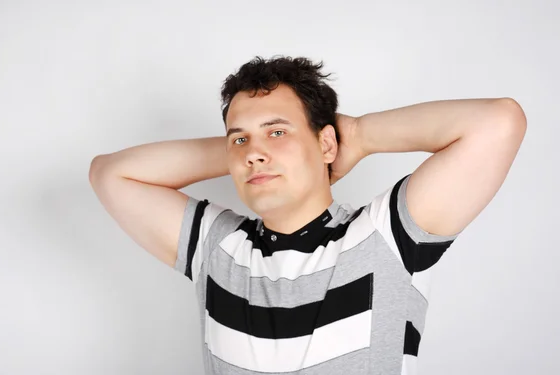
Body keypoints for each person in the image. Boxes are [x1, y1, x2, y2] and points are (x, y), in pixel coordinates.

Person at [88, 55, 526, 375]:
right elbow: (110, 174)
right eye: (237, 140)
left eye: (278, 132)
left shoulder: (384, 237)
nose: (256, 153)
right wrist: (251, 148)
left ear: (327, 145)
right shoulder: (216, 247)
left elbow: (498, 123)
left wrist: (357, 133)